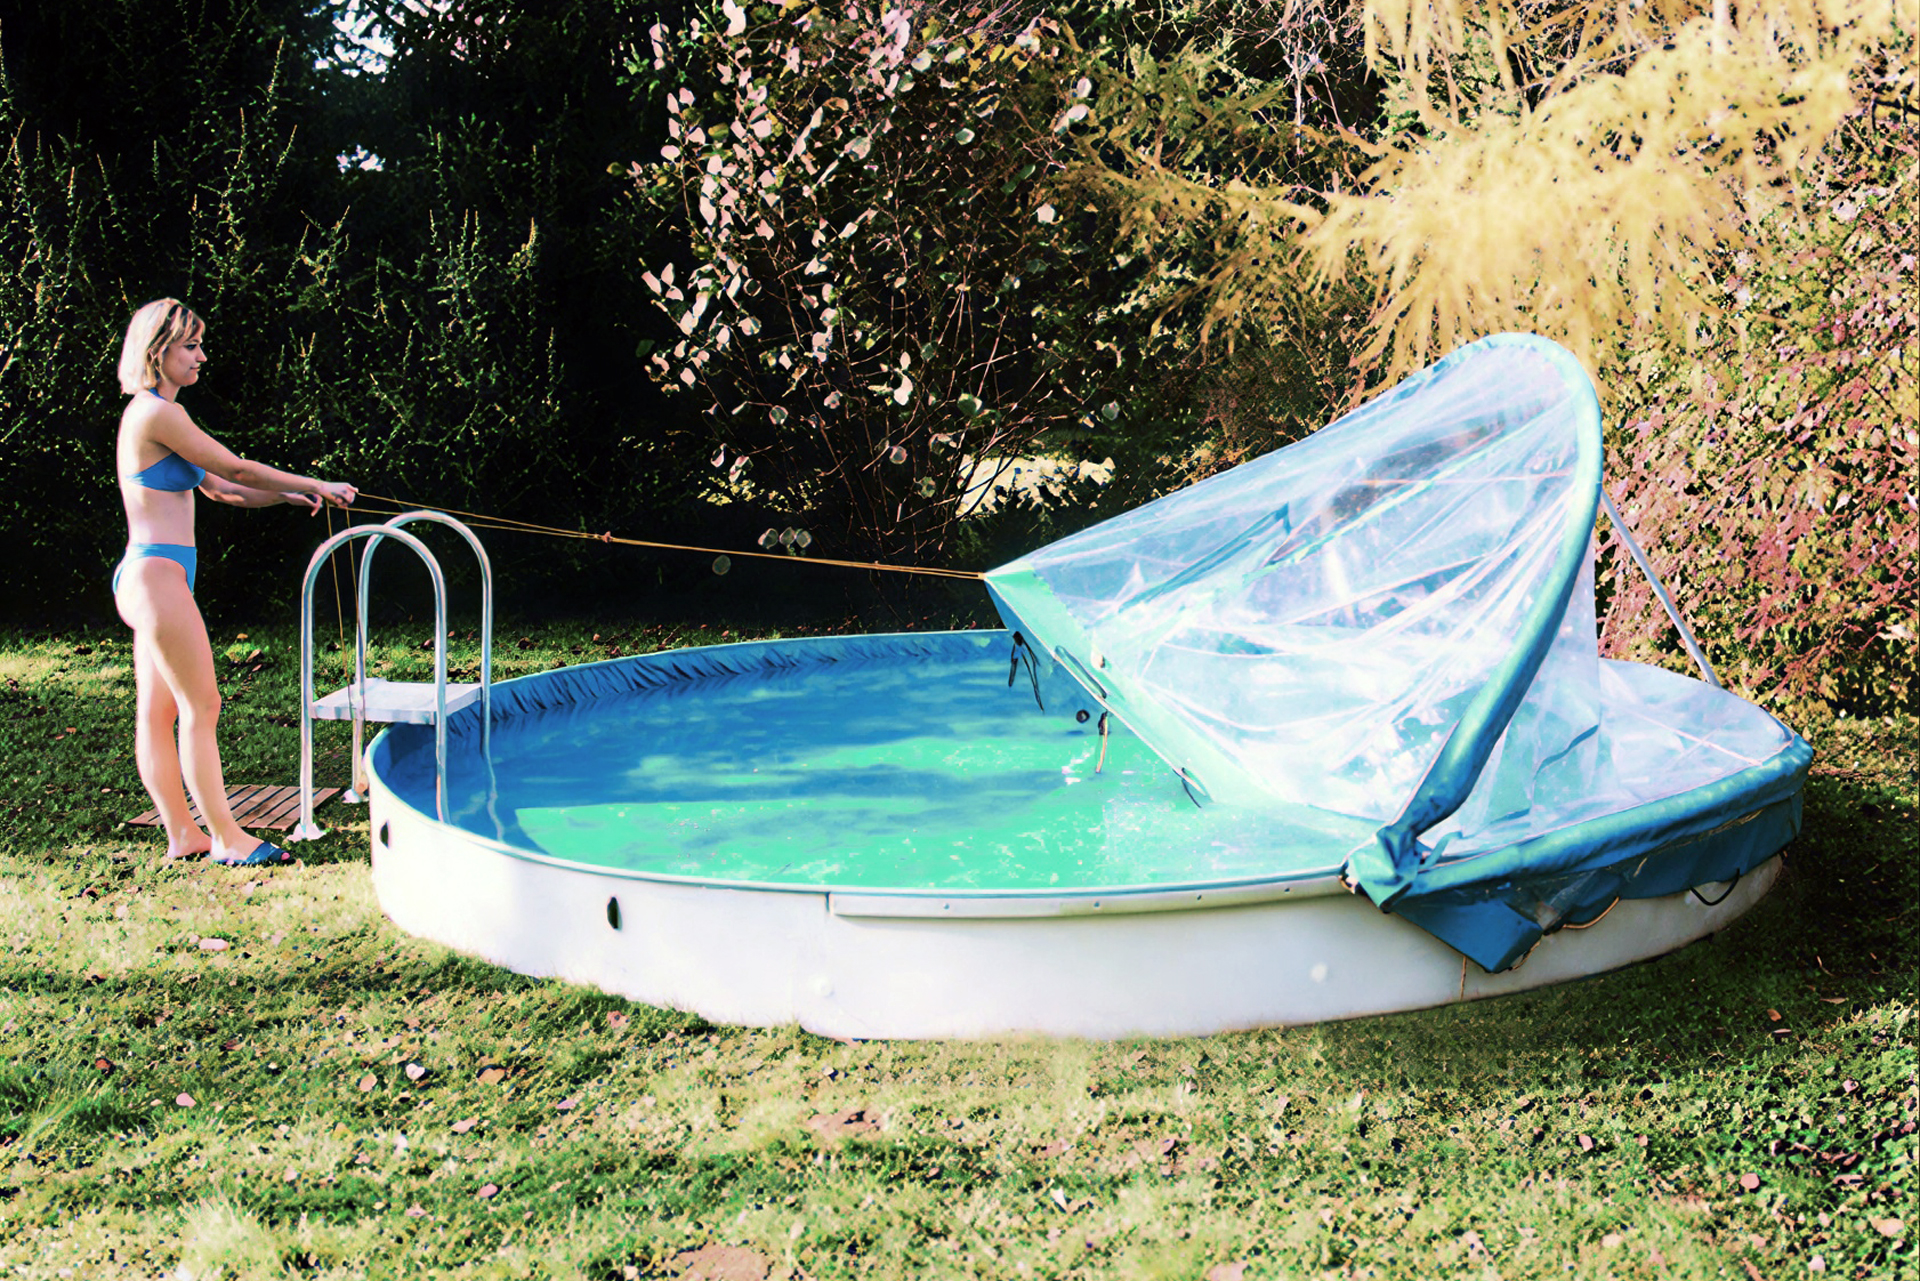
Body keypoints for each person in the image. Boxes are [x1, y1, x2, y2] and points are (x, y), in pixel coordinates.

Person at [113, 299, 356, 866]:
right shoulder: (157, 414)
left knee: (159, 714)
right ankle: (227, 838)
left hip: (151, 576)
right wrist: (316, 482)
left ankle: (184, 835)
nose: (201, 356)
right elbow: (235, 467)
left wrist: (287, 496)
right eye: (190, 346)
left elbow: (223, 488)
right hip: (156, 575)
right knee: (202, 706)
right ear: (158, 351)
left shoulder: (158, 414)